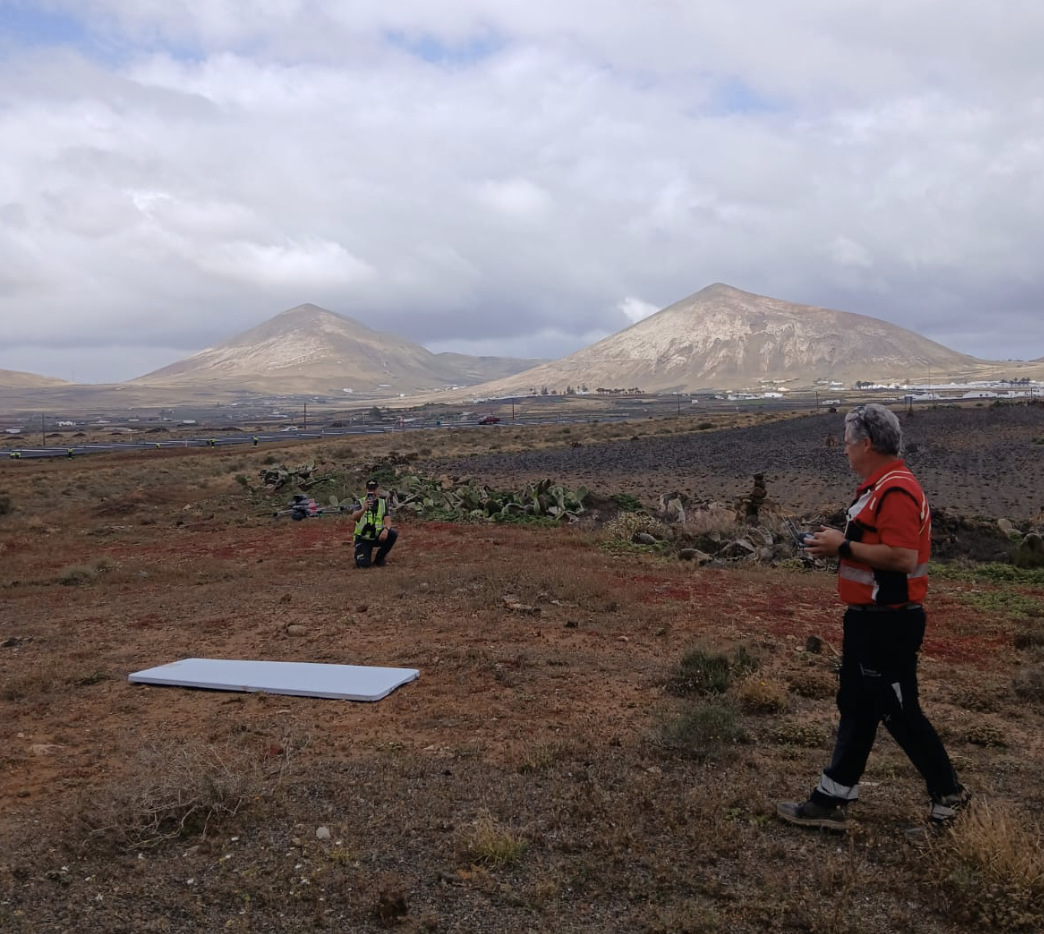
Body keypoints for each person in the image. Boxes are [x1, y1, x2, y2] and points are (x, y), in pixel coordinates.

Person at [777, 403, 968, 831]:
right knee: (858, 705)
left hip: (889, 621)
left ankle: (949, 798)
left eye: (847, 443)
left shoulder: (896, 491)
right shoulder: (878, 487)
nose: (844, 451)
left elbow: (901, 557)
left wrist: (842, 547)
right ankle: (832, 798)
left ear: (866, 443)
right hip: (869, 618)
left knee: (899, 710)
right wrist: (836, 547)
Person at [348, 478, 397, 568]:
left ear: (378, 490)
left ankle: (379, 559)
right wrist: (363, 509)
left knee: (392, 533)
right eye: (370, 490)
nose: (372, 492)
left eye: (374, 489)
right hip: (363, 538)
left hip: (377, 536)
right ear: (366, 490)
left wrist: (386, 529)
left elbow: (388, 520)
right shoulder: (360, 502)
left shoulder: (383, 503)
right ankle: (360, 553)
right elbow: (354, 517)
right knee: (364, 565)